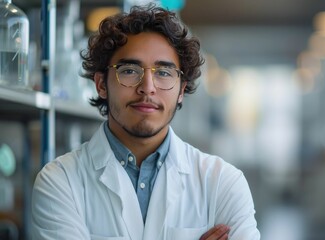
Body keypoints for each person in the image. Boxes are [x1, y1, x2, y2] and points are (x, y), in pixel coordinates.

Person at [31, 4, 260, 240]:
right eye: (130, 70)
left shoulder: (223, 183)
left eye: (163, 73)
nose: (147, 88)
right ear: (101, 84)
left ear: (181, 90)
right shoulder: (60, 182)